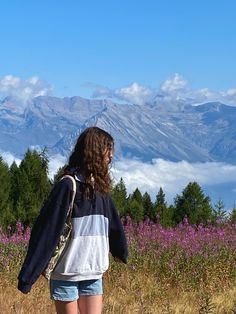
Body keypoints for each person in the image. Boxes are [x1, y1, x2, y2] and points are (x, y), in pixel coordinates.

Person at [17, 126, 128, 314]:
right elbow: (46, 232)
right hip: (66, 273)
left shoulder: (101, 190)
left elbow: (114, 225)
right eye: (107, 151)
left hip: (93, 273)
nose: (110, 157)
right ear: (93, 152)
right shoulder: (68, 186)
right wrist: (28, 277)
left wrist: (120, 251)